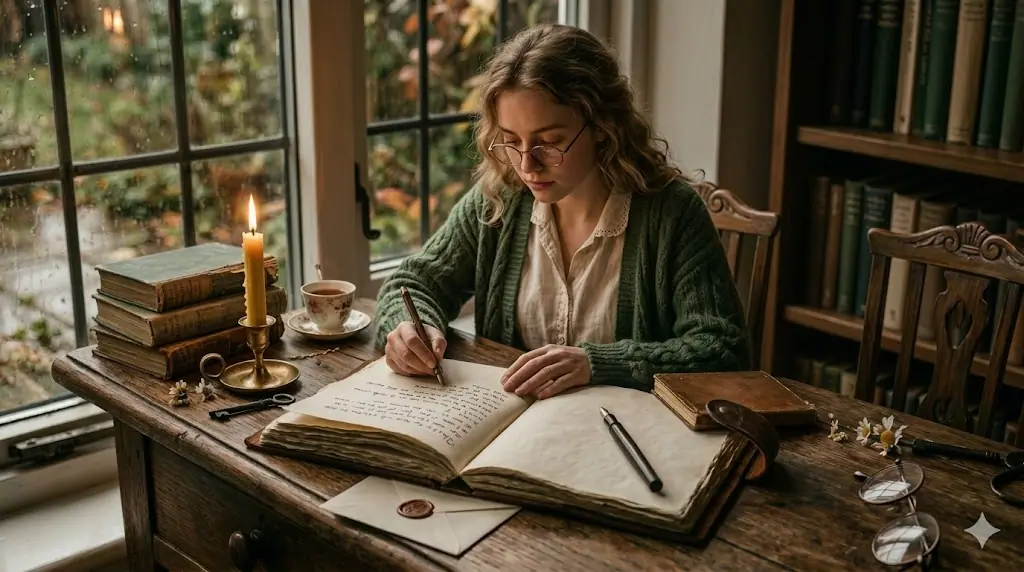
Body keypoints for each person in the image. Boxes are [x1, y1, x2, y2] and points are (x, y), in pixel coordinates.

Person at [372, 23, 750, 399]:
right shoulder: (499, 201)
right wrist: (410, 329)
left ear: (602, 125)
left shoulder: (672, 215)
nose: (527, 165)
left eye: (550, 142)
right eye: (510, 141)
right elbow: (413, 283)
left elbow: (723, 350)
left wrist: (596, 363)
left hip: (628, 439)